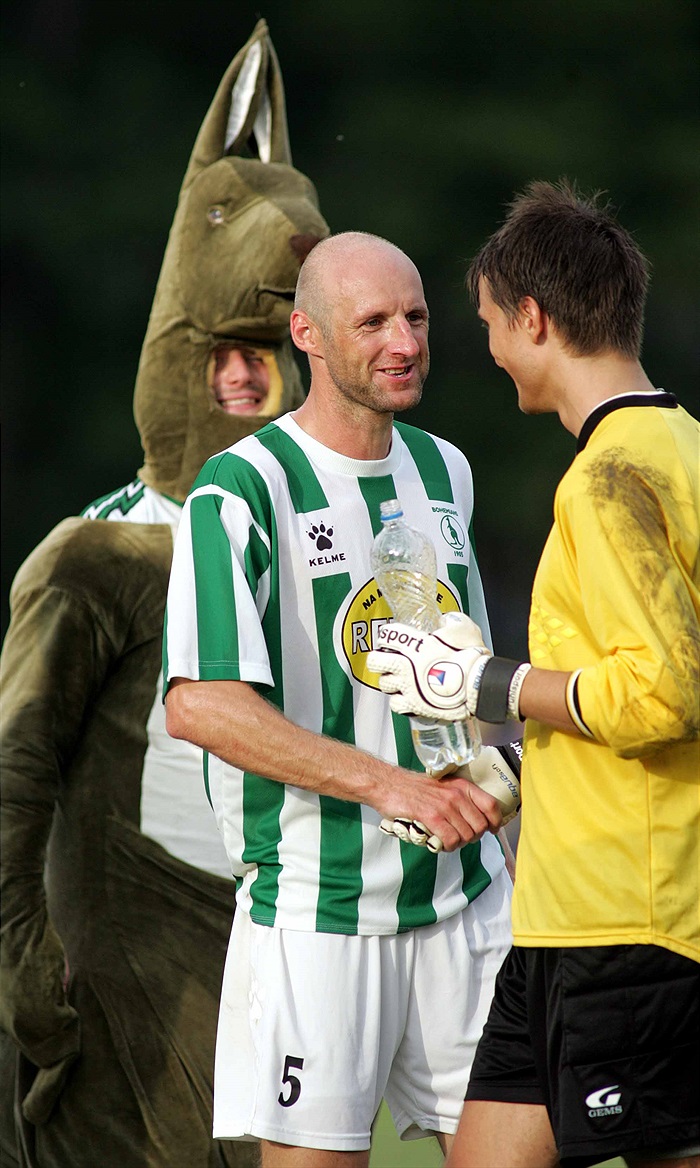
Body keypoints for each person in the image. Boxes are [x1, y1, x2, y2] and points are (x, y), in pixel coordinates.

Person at [0, 20, 328, 1168]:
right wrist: (24, 959)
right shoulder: (97, 555)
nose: (241, 380)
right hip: (117, 1003)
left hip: (276, 987)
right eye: (217, 356)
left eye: (264, 354)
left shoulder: (312, 546)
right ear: (172, 357)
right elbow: (14, 771)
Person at [163, 230, 517, 1167]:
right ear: (307, 335)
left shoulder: (446, 470)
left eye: (416, 317)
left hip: (466, 899)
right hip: (316, 912)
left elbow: (468, 676)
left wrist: (505, 778)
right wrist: (389, 786)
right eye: (373, 322)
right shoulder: (239, 491)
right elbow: (201, 704)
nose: (403, 342)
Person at [367, 180, 700, 1168]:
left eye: (485, 323)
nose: (485, 348)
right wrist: (508, 771)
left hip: (632, 919)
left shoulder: (604, 478)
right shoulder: (680, 444)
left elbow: (661, 694)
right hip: (561, 915)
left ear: (533, 317)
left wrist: (485, 682)